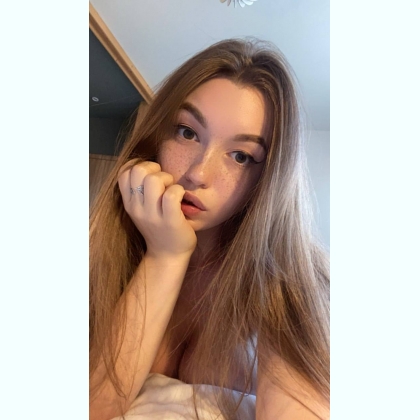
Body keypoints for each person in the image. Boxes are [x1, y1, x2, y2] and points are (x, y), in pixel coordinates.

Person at [89, 38, 330, 420]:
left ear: (269, 179)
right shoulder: (105, 248)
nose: (198, 173)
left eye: (241, 156)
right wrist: (165, 254)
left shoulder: (290, 283)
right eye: (187, 133)